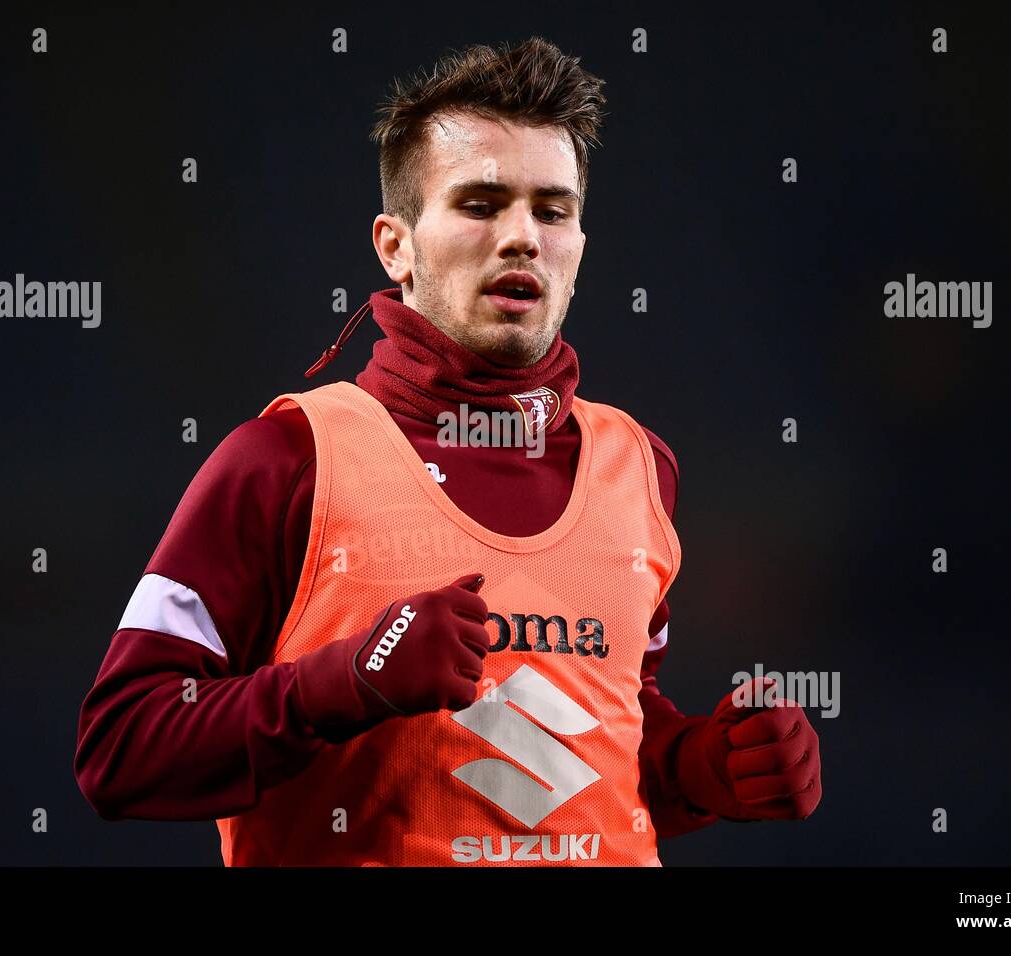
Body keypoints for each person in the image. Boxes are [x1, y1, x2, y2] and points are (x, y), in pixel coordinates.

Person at [74, 36, 821, 866]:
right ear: (395, 246)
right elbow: (119, 750)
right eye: (479, 204)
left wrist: (702, 769)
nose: (522, 238)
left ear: (579, 242)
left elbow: (607, 744)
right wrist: (343, 683)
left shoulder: (640, 465)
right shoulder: (287, 458)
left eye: (552, 209)